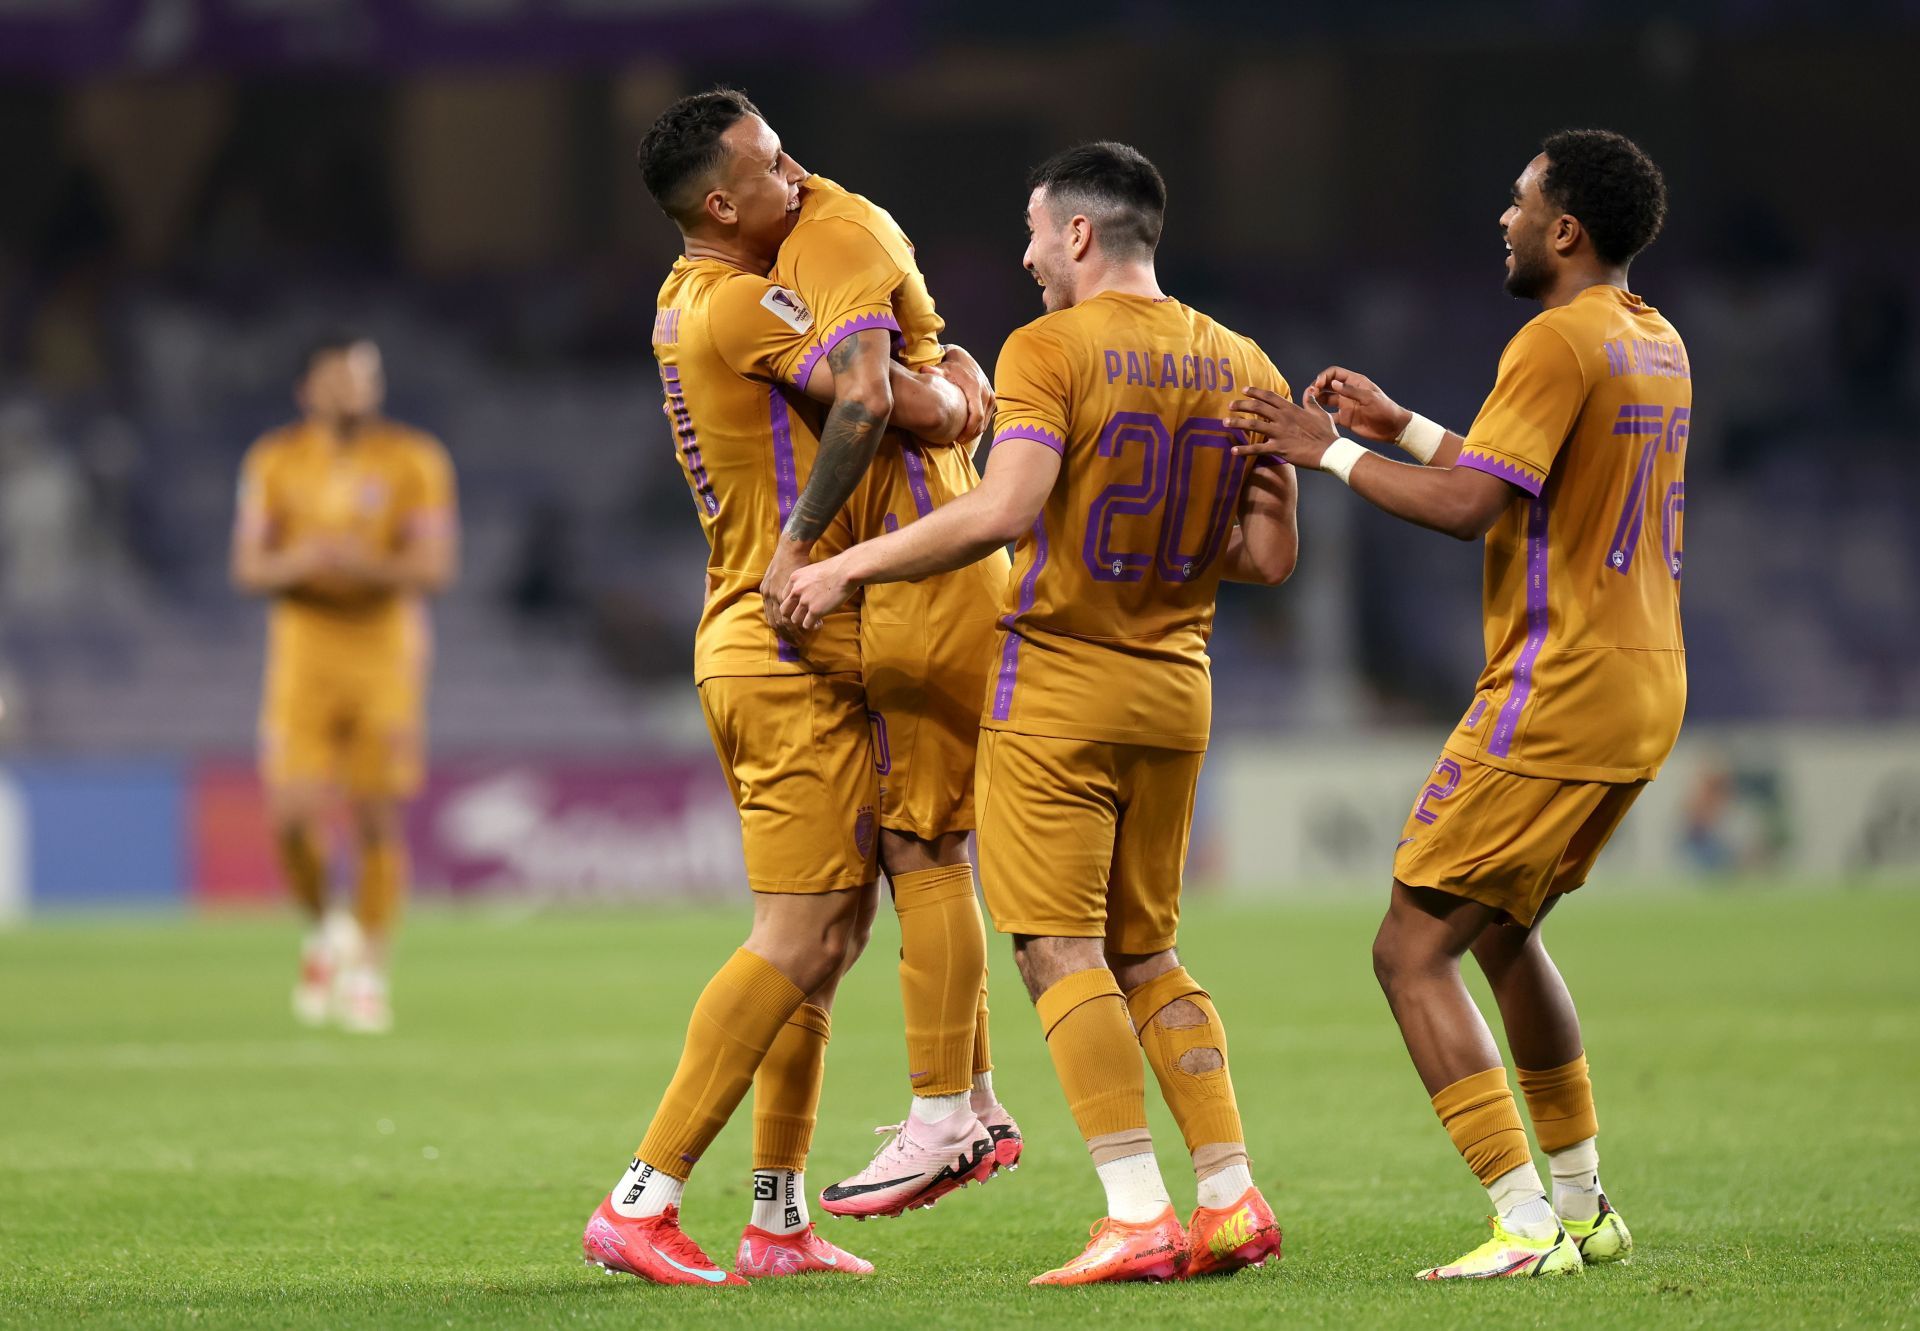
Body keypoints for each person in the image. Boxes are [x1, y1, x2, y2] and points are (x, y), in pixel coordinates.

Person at [782, 142, 1296, 1286]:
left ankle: (1134, 1210)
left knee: (1055, 947)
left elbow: (1000, 509)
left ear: (1079, 234)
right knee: (1148, 947)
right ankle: (1228, 1191)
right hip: (1180, 684)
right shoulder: (1243, 359)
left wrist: (846, 564)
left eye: (1032, 231)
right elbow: (1267, 553)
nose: (1022, 255)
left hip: (1061, 683)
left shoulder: (1048, 348)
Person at [1224, 129, 1682, 1279]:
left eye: (1521, 200)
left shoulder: (1554, 335)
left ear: (1565, 229)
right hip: (1643, 679)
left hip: (1558, 685)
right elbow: (1530, 479)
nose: (1505, 217)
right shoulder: (1653, 337)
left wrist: (1326, 452)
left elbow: (1474, 507)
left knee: (1409, 947)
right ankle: (1582, 1207)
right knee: (1507, 932)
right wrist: (1402, 427)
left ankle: (1524, 1223)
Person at [579, 88, 976, 1287]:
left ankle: (779, 1215)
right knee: (798, 930)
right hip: (782, 637)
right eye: (768, 164)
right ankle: (640, 1198)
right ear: (718, 201)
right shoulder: (748, 302)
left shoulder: (685, 294)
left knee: (834, 935)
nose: (795, 174)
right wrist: (964, 386)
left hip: (772, 632)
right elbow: (893, 401)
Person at [753, 143, 1022, 1219]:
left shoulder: (833, 234)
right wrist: (949, 390)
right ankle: (982, 1101)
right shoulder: (829, 238)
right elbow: (930, 383)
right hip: (928, 566)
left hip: (922, 569)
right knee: (927, 838)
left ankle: (944, 1112)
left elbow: (872, 397)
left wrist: (803, 543)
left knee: (927, 843)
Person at [230, 336, 459, 1035]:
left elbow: (435, 567)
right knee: (291, 815)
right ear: (308, 388)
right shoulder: (274, 459)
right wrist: (302, 558)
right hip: (303, 655)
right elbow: (248, 568)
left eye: (365, 377)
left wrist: (365, 565)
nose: (355, 390)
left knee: (376, 815)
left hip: (384, 652)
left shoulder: (415, 459)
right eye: (339, 378)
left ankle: (368, 970)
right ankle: (326, 926)